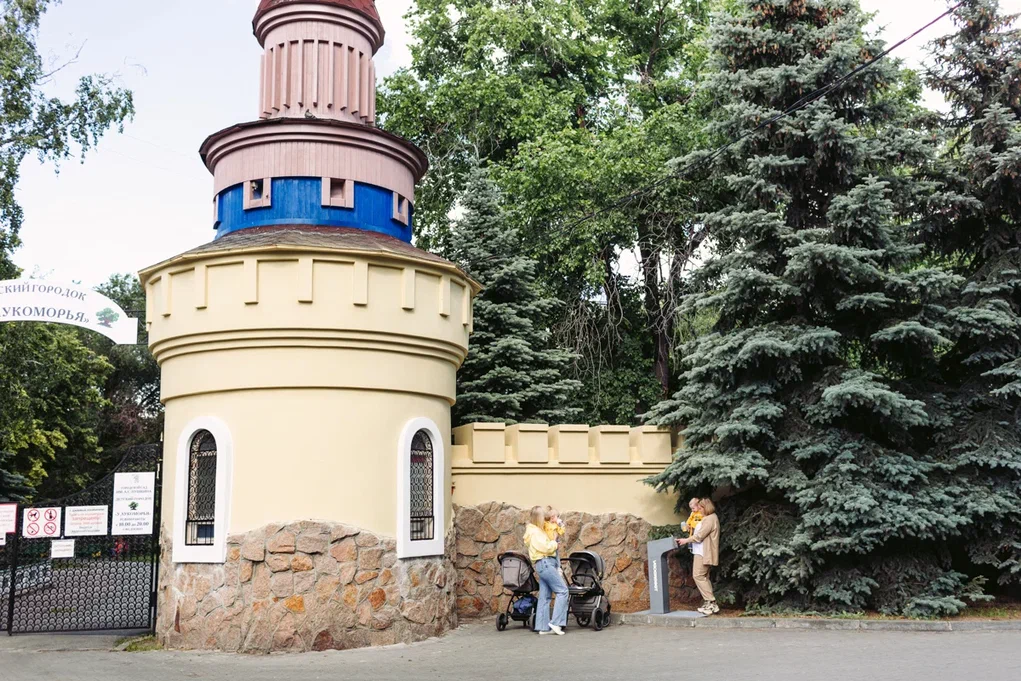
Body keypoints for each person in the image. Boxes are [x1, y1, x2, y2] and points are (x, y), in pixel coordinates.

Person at [524, 505, 569, 635]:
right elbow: (545, 547)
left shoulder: (535, 530)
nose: (546, 519)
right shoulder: (535, 532)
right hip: (546, 563)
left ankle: (543, 627)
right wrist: (554, 543)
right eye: (544, 517)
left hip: (542, 564)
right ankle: (556, 623)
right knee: (563, 591)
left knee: (544, 596)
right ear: (539, 518)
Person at [675, 498, 720, 615]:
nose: (698, 510)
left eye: (700, 508)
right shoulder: (708, 518)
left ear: (706, 507)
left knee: (698, 576)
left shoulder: (710, 519)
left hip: (703, 552)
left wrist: (685, 540)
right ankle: (710, 603)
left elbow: (700, 536)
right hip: (701, 551)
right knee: (704, 577)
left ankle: (711, 602)